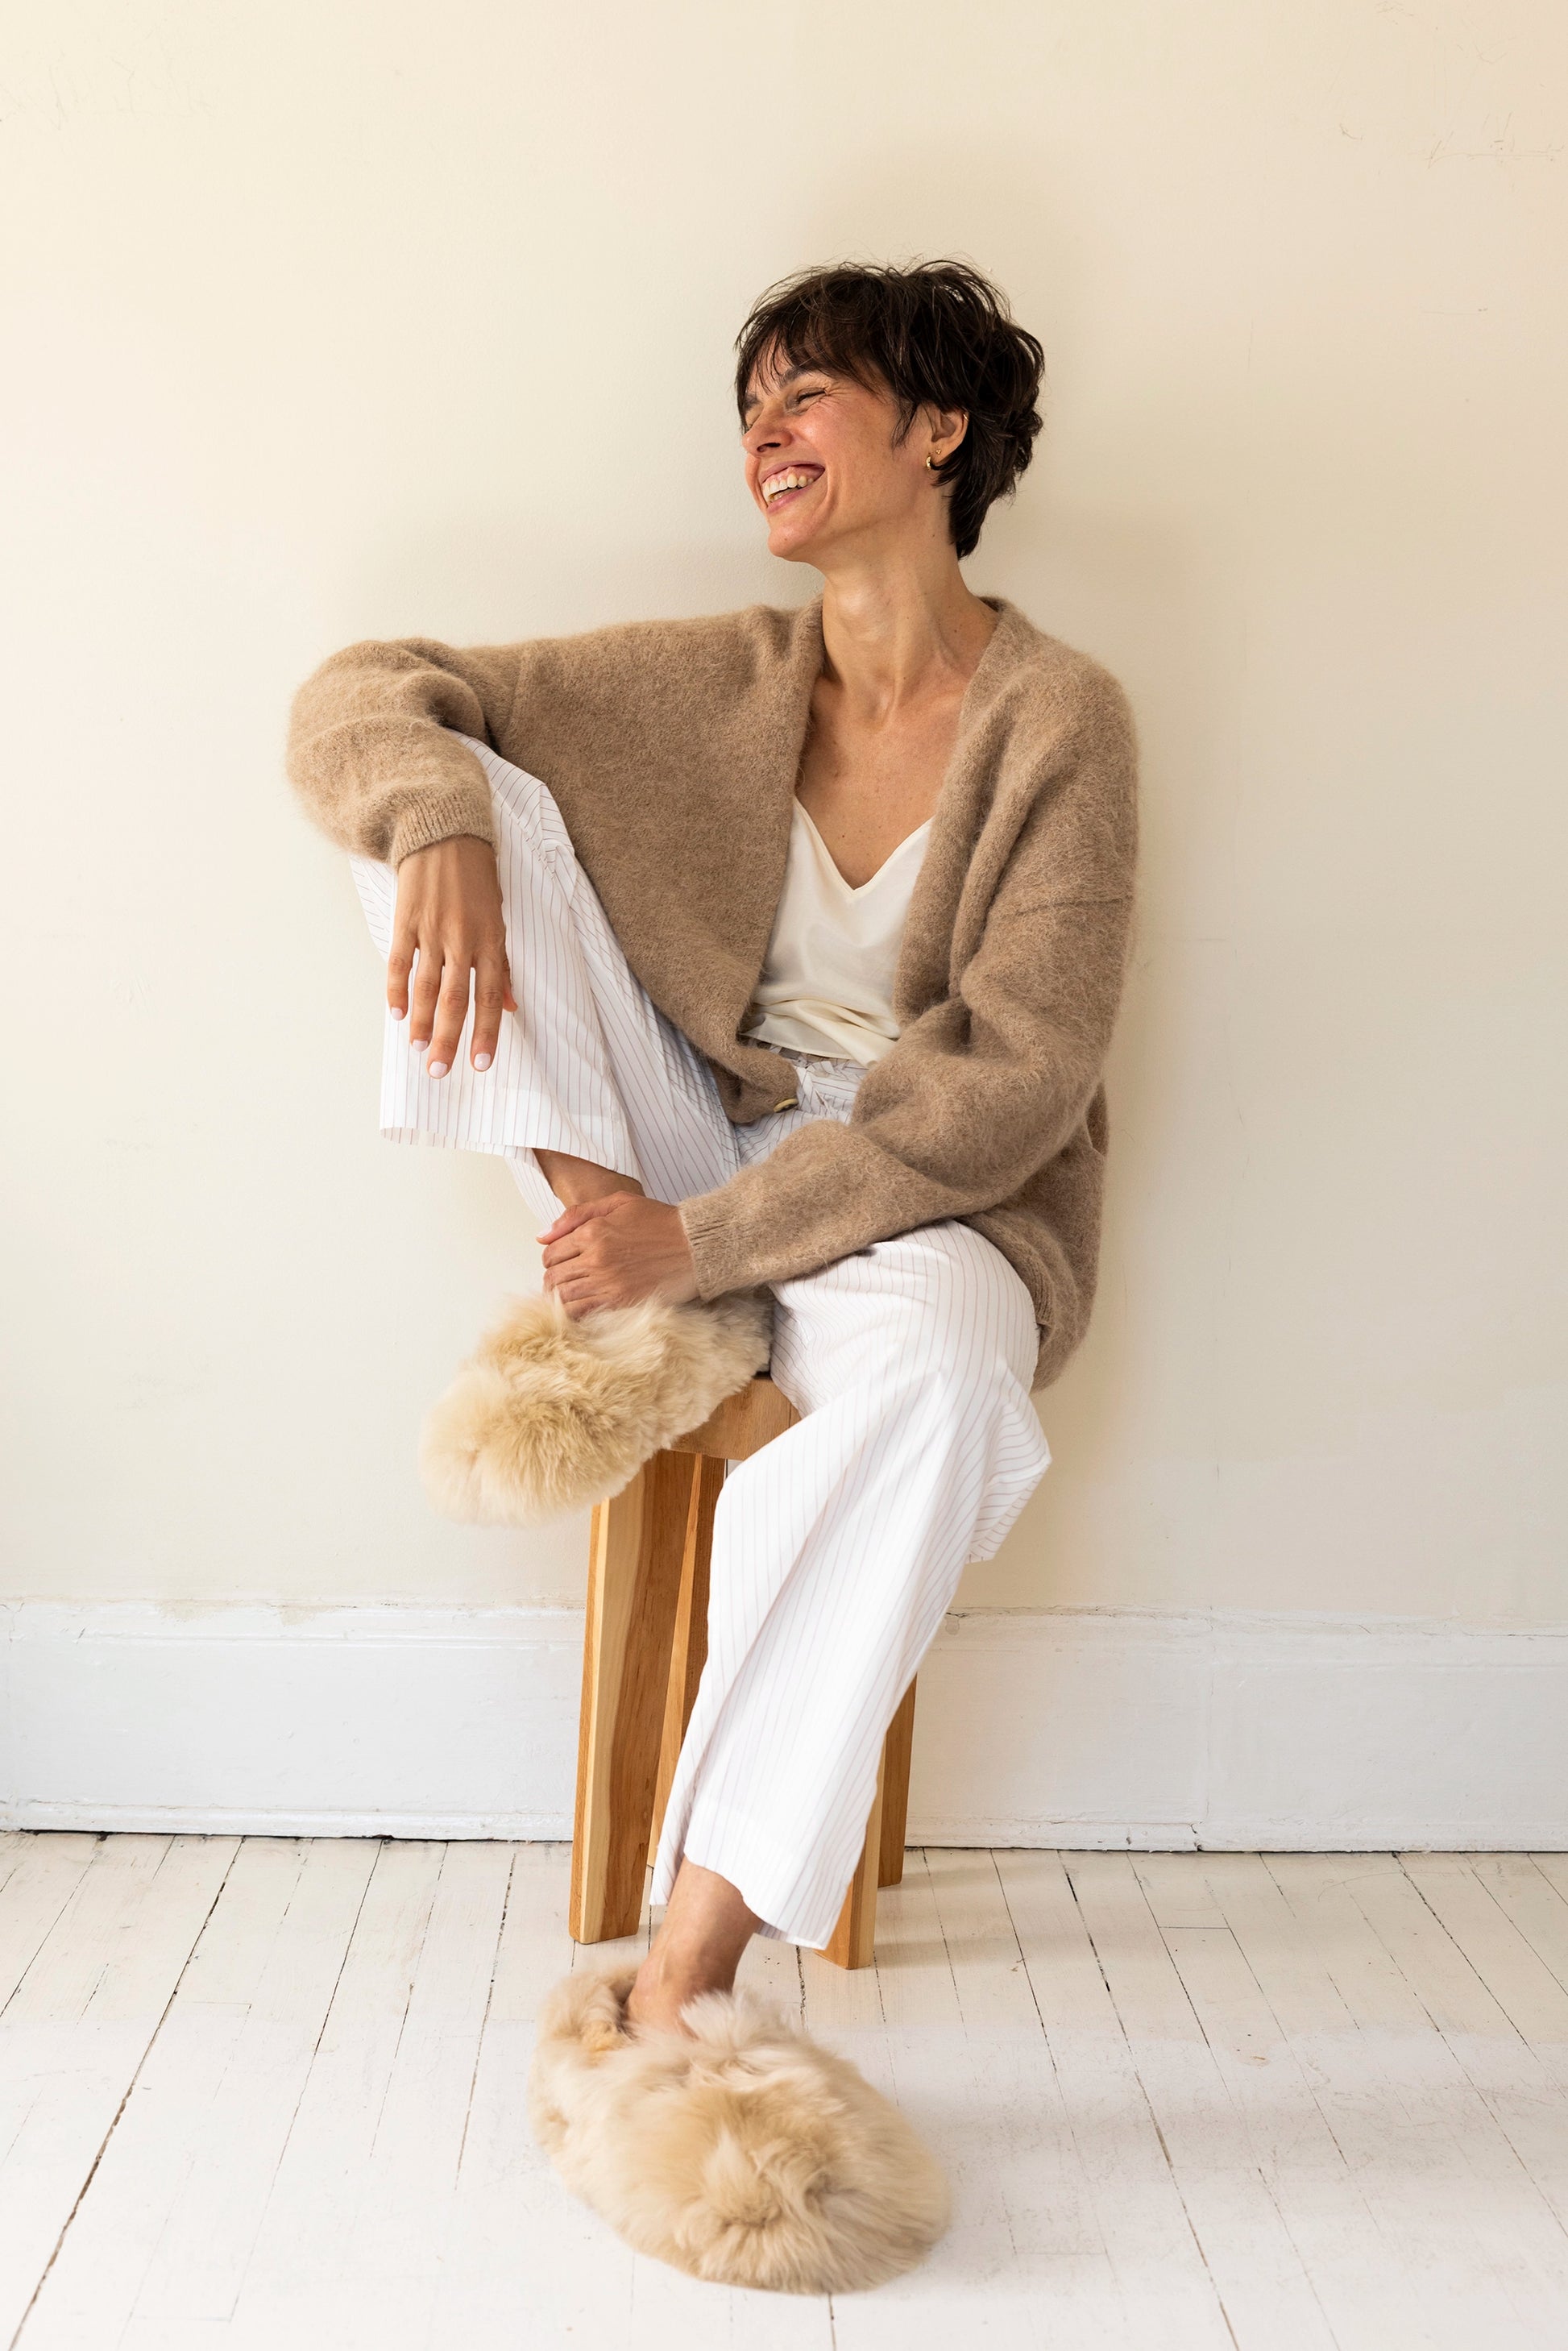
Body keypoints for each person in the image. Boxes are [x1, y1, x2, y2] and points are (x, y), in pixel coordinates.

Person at [287, 259, 1137, 2289]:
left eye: (814, 388)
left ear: (940, 432)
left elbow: (1019, 1075)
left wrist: (715, 1244)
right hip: (660, 1148)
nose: (765, 423)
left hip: (917, 1207)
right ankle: (636, 1269)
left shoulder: (1061, 719)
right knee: (449, 794)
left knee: (938, 1381)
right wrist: (439, 825)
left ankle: (686, 1967)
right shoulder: (710, 678)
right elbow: (357, 688)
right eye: (750, 393)